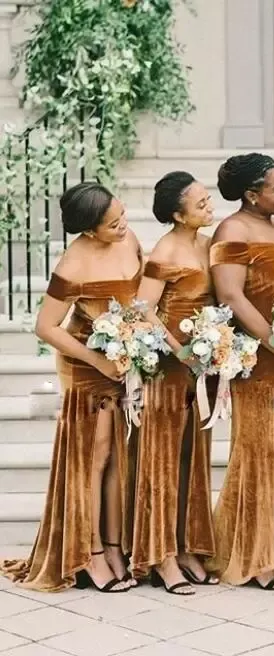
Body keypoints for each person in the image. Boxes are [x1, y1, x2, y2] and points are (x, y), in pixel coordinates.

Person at [1, 183, 141, 592]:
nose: (123, 225)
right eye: (113, 223)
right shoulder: (72, 264)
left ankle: (116, 547)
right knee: (95, 457)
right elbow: (46, 327)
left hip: (124, 355)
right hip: (87, 363)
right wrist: (97, 358)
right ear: (90, 230)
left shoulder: (128, 239)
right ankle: (90, 554)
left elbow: (139, 298)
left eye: (122, 215)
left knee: (120, 455)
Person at [206, 153, 274, 590]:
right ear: (252, 195)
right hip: (260, 359)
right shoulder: (232, 230)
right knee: (273, 452)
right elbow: (231, 296)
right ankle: (256, 555)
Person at [127, 172, 219, 595]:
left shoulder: (206, 244)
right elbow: (142, 309)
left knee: (192, 457)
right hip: (168, 367)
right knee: (163, 461)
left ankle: (186, 545)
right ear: (178, 214)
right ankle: (160, 557)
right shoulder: (166, 249)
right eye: (200, 203)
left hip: (202, 366)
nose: (209, 206)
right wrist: (177, 347)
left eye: (208, 199)